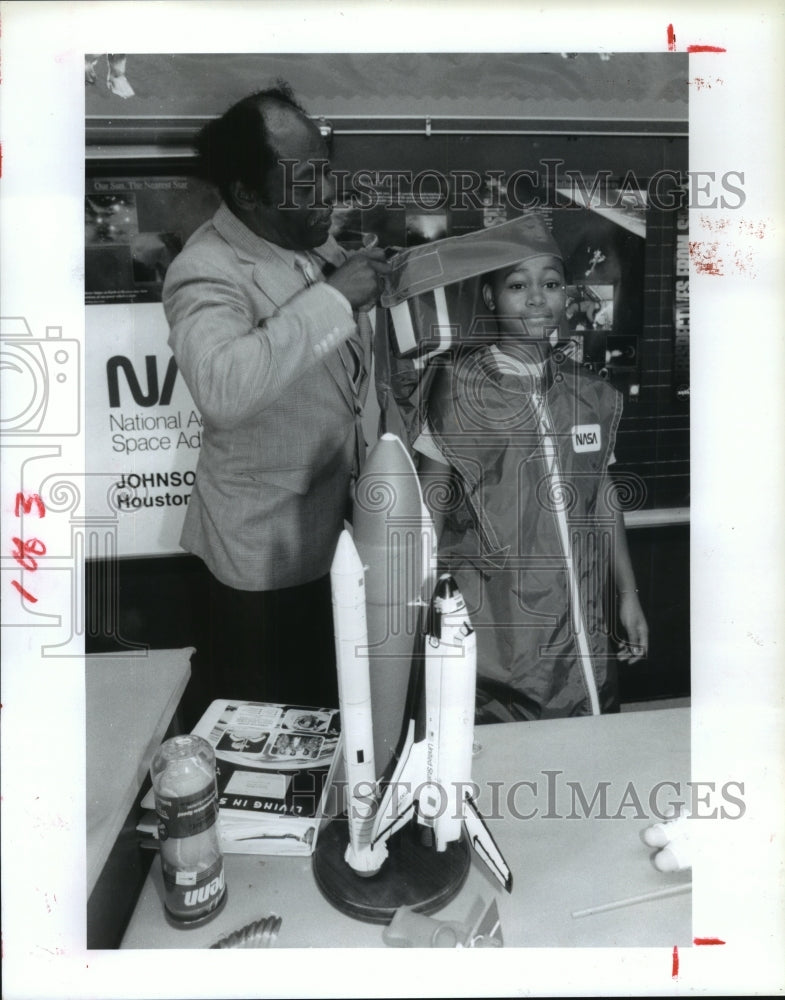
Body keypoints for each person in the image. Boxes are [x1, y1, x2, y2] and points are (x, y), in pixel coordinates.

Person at [162, 83, 390, 709]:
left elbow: (332, 368)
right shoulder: (206, 268)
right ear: (246, 193)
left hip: (332, 534)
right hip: (260, 565)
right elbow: (222, 387)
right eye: (307, 177)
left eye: (326, 170)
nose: (329, 192)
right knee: (265, 738)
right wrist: (338, 297)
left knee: (327, 714)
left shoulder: (309, 240)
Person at [415, 213, 648, 720]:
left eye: (551, 283)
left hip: (584, 620)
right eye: (518, 285)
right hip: (499, 628)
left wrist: (627, 595)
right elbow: (429, 509)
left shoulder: (591, 394)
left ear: (567, 296)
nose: (538, 297)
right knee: (506, 758)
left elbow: (603, 495)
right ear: (490, 297)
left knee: (590, 752)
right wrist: (426, 609)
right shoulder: (458, 392)